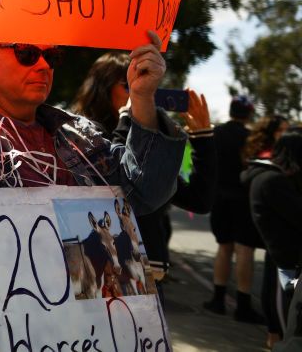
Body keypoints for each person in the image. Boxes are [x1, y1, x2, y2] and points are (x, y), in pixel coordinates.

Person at [0, 25, 186, 351]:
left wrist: (143, 99)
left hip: (79, 337)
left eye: (51, 56)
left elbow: (144, 194)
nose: (43, 66)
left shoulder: (80, 134)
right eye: (26, 53)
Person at [71, 59, 216, 292]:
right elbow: (121, 186)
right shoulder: (76, 137)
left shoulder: (151, 147)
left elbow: (199, 200)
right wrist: (130, 118)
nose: (142, 89)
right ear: (103, 88)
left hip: (148, 279)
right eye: (129, 84)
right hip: (100, 279)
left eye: (148, 84)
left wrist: (203, 137)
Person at [205, 94, 265, 323]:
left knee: (224, 247)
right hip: (243, 198)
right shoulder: (252, 138)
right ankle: (243, 306)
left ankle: (218, 299)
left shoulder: (216, 133)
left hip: (219, 197)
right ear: (249, 113)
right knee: (245, 250)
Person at [243, 120, 298, 348]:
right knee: (288, 327)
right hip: (285, 260)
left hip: (282, 259)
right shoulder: (273, 181)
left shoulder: (272, 177)